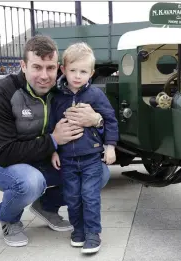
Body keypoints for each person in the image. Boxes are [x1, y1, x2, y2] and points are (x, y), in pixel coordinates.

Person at [0, 35, 112, 247]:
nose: (44, 76)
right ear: (23, 66)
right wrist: (53, 140)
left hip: (48, 159)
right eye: (37, 67)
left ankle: (46, 206)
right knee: (30, 182)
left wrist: (97, 120)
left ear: (59, 68)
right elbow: (5, 152)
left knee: (100, 173)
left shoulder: (64, 91)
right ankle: (8, 218)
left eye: (50, 67)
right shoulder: (3, 91)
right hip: (4, 163)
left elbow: (107, 120)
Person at [48, 42, 119, 253]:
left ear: (92, 73)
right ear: (63, 69)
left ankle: (92, 234)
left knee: (90, 195)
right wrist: (52, 149)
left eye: (83, 71)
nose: (77, 76)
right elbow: (51, 126)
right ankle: (78, 230)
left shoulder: (95, 95)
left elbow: (110, 120)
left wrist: (110, 146)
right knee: (72, 197)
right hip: (67, 159)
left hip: (90, 157)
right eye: (73, 70)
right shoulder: (57, 98)